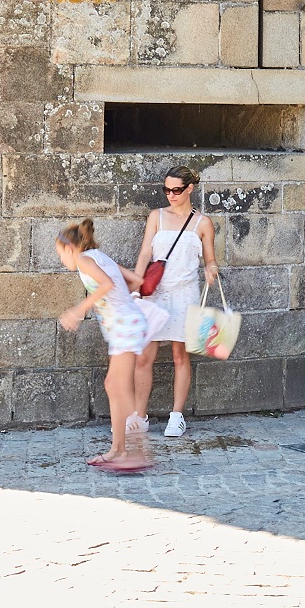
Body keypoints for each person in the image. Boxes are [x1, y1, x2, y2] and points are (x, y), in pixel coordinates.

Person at [56, 218, 166, 472]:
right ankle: (118, 450)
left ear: (70, 249)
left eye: (61, 255)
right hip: (124, 325)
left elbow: (108, 284)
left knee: (120, 388)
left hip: (125, 326)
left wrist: (78, 310)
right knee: (113, 385)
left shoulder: (84, 260)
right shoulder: (98, 256)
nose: (62, 261)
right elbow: (134, 281)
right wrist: (115, 303)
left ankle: (138, 452)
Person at [135, 164, 217, 439]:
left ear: (189, 189)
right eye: (166, 189)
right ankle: (139, 416)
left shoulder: (202, 223)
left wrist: (211, 269)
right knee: (144, 356)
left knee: (181, 356)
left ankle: (177, 416)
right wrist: (136, 283)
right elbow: (146, 251)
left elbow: (210, 259)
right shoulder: (156, 216)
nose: (170, 195)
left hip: (185, 294)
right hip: (156, 293)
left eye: (176, 190)